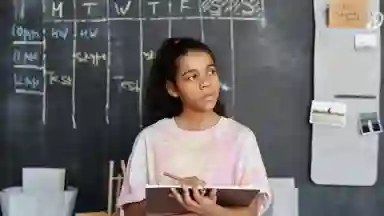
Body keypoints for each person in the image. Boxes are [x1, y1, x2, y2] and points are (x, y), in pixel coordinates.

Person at [117, 37, 271, 216]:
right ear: (173, 88)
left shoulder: (241, 137)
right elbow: (130, 211)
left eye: (211, 72)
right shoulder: (150, 138)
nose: (205, 83)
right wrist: (176, 198)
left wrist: (212, 211)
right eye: (192, 76)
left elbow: (252, 211)